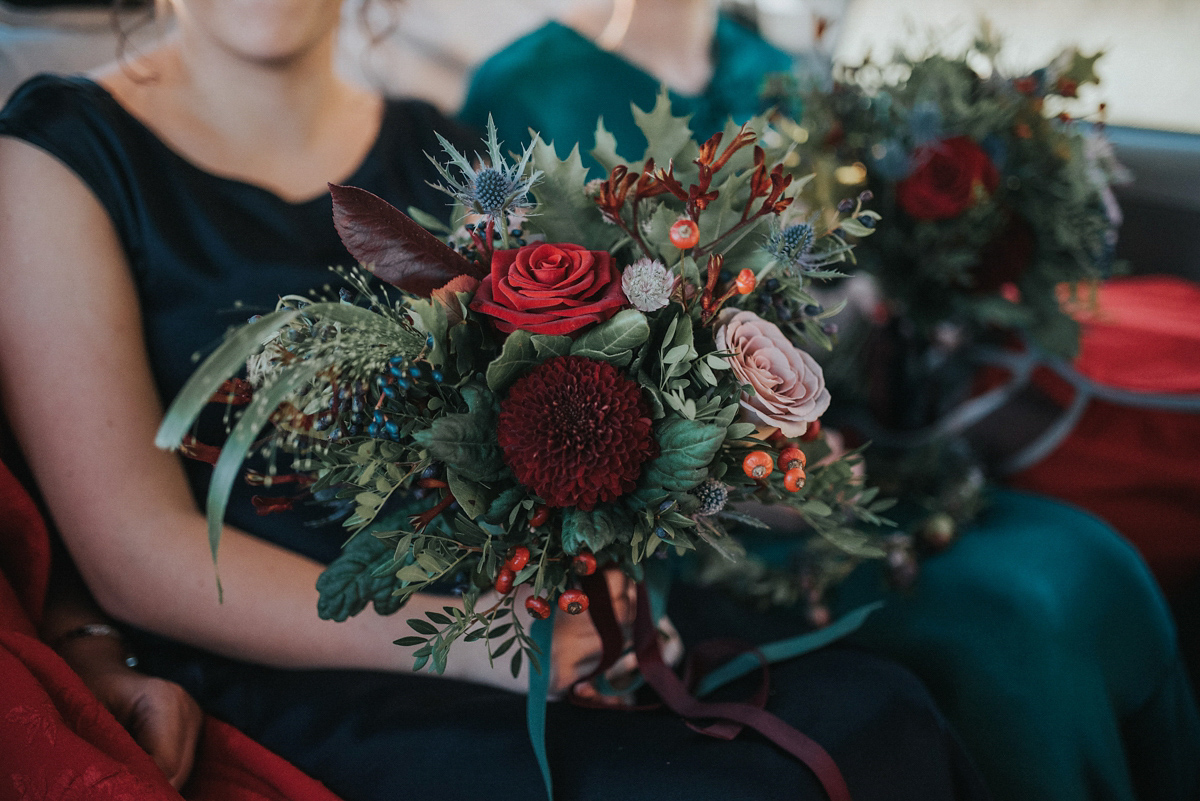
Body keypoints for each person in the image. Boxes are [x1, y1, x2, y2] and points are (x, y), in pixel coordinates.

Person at [0, 1, 989, 799]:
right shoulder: (60, 155)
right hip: (301, 658)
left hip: (518, 602)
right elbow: (134, 553)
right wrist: (478, 646)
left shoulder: (449, 152)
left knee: (882, 711)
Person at [458, 2, 1200, 801]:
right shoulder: (523, 90)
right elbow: (527, 372)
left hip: (839, 444)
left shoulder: (773, 71)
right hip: (682, 522)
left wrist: (897, 294)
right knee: (1012, 625)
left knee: (1096, 562)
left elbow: (818, 294)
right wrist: (758, 475)